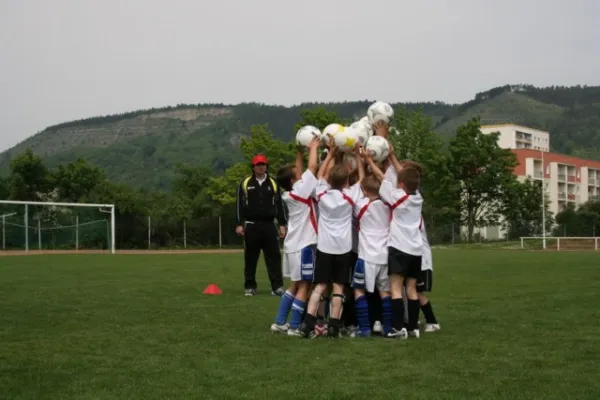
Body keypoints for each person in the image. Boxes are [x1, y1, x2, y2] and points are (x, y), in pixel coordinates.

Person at [299, 141, 364, 338]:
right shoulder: (350, 196)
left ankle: (308, 323)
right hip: (343, 249)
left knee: (319, 286)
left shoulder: (322, 194)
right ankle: (334, 325)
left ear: (329, 181)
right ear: (346, 182)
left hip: (325, 248)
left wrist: (330, 155)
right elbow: (360, 178)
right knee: (338, 287)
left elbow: (319, 176)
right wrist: (359, 157)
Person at [366, 147, 424, 339]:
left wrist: (369, 159)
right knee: (412, 289)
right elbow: (405, 176)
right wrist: (391, 156)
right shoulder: (418, 198)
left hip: (399, 248)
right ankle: (414, 327)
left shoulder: (397, 197)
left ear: (400, 183)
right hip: (416, 250)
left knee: (396, 288)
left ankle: (399, 328)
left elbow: (381, 176)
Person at [270, 137, 321, 335]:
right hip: (304, 245)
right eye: (297, 173)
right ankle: (295, 325)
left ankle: (280, 321)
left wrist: (299, 151)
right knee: (305, 285)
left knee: (295, 284)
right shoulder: (301, 190)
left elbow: (300, 170)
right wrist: (314, 147)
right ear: (294, 180)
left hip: (292, 245)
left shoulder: (291, 192)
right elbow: (313, 166)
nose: (300, 173)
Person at [236, 154, 287, 297]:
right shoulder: (245, 183)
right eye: (258, 164)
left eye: (263, 164)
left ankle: (277, 287)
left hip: (269, 225)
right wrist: (239, 223)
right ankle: (250, 286)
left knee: (274, 257)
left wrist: (282, 223)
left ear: (266, 166)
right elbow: (239, 205)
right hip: (251, 225)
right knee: (251, 258)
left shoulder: (273, 183)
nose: (261, 167)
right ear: (253, 167)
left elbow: (280, 204)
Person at [350, 173, 393, 337]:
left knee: (359, 290)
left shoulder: (361, 205)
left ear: (365, 191)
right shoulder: (387, 206)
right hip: (384, 256)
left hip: (366, 256)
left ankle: (364, 328)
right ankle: (388, 328)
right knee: (385, 292)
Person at [417, 218, 441, 332]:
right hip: (414, 259)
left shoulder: (414, 214)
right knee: (409, 290)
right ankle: (412, 318)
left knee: (417, 292)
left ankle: (432, 321)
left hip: (422, 262)